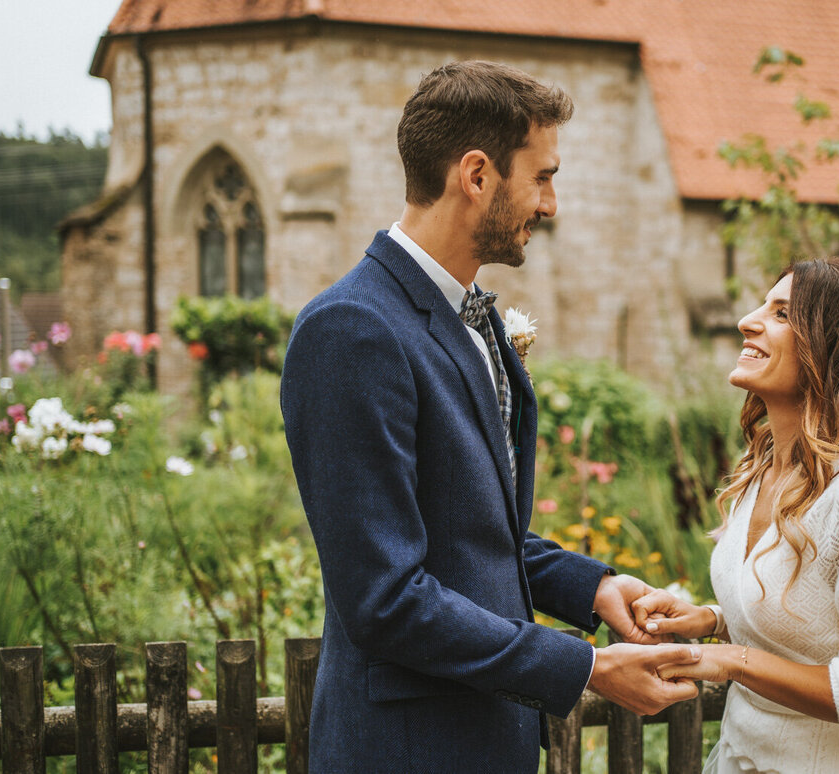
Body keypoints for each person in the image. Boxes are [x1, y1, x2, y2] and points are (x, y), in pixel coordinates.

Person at [280, 60, 700, 773]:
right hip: (408, 752)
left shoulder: (479, 322)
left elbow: (468, 532)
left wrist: (592, 588)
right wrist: (588, 668)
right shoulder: (351, 331)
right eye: (542, 177)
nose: (551, 204)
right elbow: (385, 600)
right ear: (476, 175)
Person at [633, 258, 839, 773]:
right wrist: (712, 621)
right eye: (764, 304)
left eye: (781, 314)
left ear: (833, 351)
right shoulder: (759, 471)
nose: (747, 320)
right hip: (747, 753)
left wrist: (731, 662)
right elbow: (808, 627)